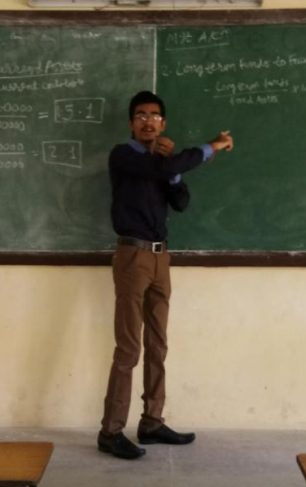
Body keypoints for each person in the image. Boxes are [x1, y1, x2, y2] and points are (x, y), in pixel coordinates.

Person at [97, 91, 234, 460]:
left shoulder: (162, 164)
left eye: (155, 116)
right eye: (141, 115)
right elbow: (157, 170)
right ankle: (110, 431)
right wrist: (212, 147)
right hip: (133, 256)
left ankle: (152, 422)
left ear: (164, 123)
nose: (148, 121)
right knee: (129, 347)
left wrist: (172, 169)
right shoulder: (123, 155)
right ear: (131, 123)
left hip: (161, 259)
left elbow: (182, 202)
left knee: (158, 344)